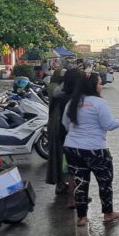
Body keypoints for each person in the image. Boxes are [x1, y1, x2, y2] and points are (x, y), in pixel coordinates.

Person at [63, 72, 119, 227]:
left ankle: (82, 217)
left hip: (72, 148)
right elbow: (109, 125)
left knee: (80, 182)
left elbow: (65, 124)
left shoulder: (72, 102)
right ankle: (108, 213)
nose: (102, 86)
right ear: (93, 86)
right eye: (100, 83)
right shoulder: (100, 103)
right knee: (105, 181)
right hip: (95, 150)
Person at [46, 68, 80, 200]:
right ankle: (62, 185)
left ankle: (64, 185)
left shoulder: (63, 87)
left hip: (60, 121)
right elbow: (57, 93)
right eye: (62, 74)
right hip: (57, 123)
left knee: (64, 157)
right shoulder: (54, 86)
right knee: (60, 156)